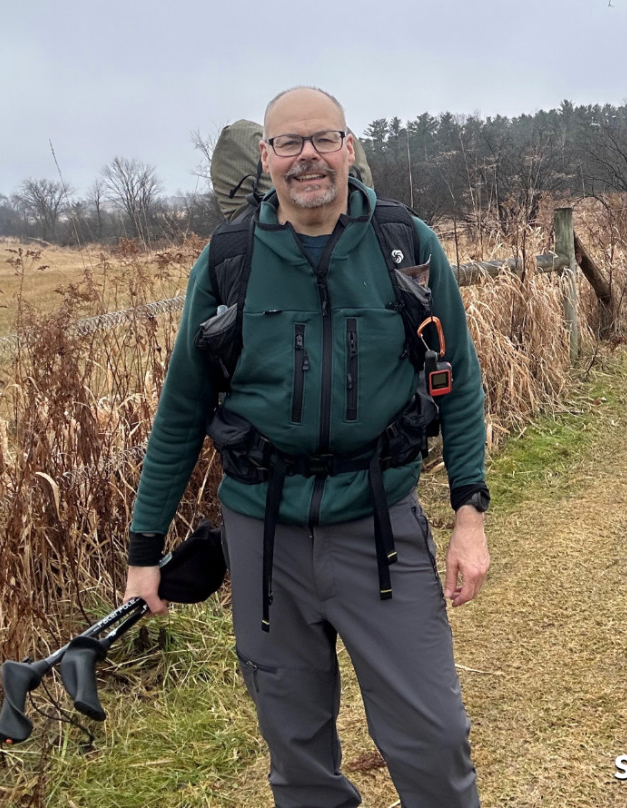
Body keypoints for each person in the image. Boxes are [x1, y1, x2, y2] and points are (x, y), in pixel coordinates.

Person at [125, 86, 490, 808]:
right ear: (265, 158)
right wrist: (143, 554)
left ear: (349, 148)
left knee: (433, 736)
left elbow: (458, 381)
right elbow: (181, 410)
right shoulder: (229, 261)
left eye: (323, 139)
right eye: (288, 144)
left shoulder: (406, 245)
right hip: (264, 542)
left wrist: (469, 514)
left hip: (379, 529)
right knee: (296, 758)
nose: (307, 157)